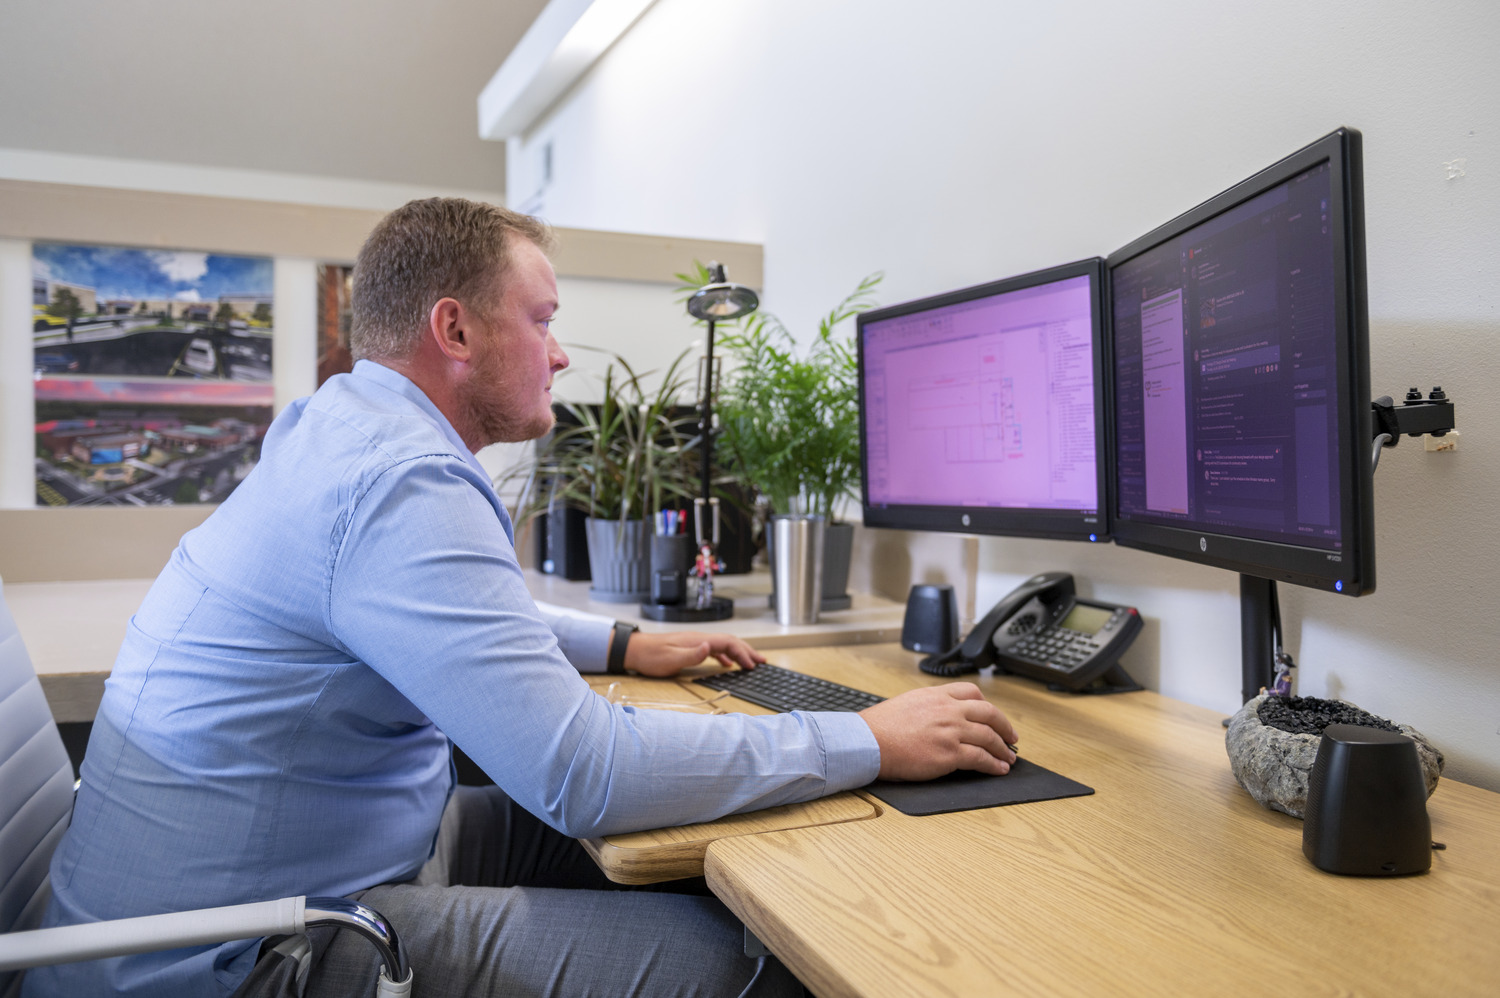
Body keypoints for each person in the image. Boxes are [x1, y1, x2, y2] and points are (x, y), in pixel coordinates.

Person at [25, 199, 1018, 998]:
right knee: (760, 961)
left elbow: (451, 618)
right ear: (454, 327)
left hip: (241, 894)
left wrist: (626, 643)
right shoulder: (402, 477)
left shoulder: (339, 428)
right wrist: (873, 740)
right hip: (238, 956)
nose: (560, 354)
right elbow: (583, 771)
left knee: (647, 854)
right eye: (542, 320)